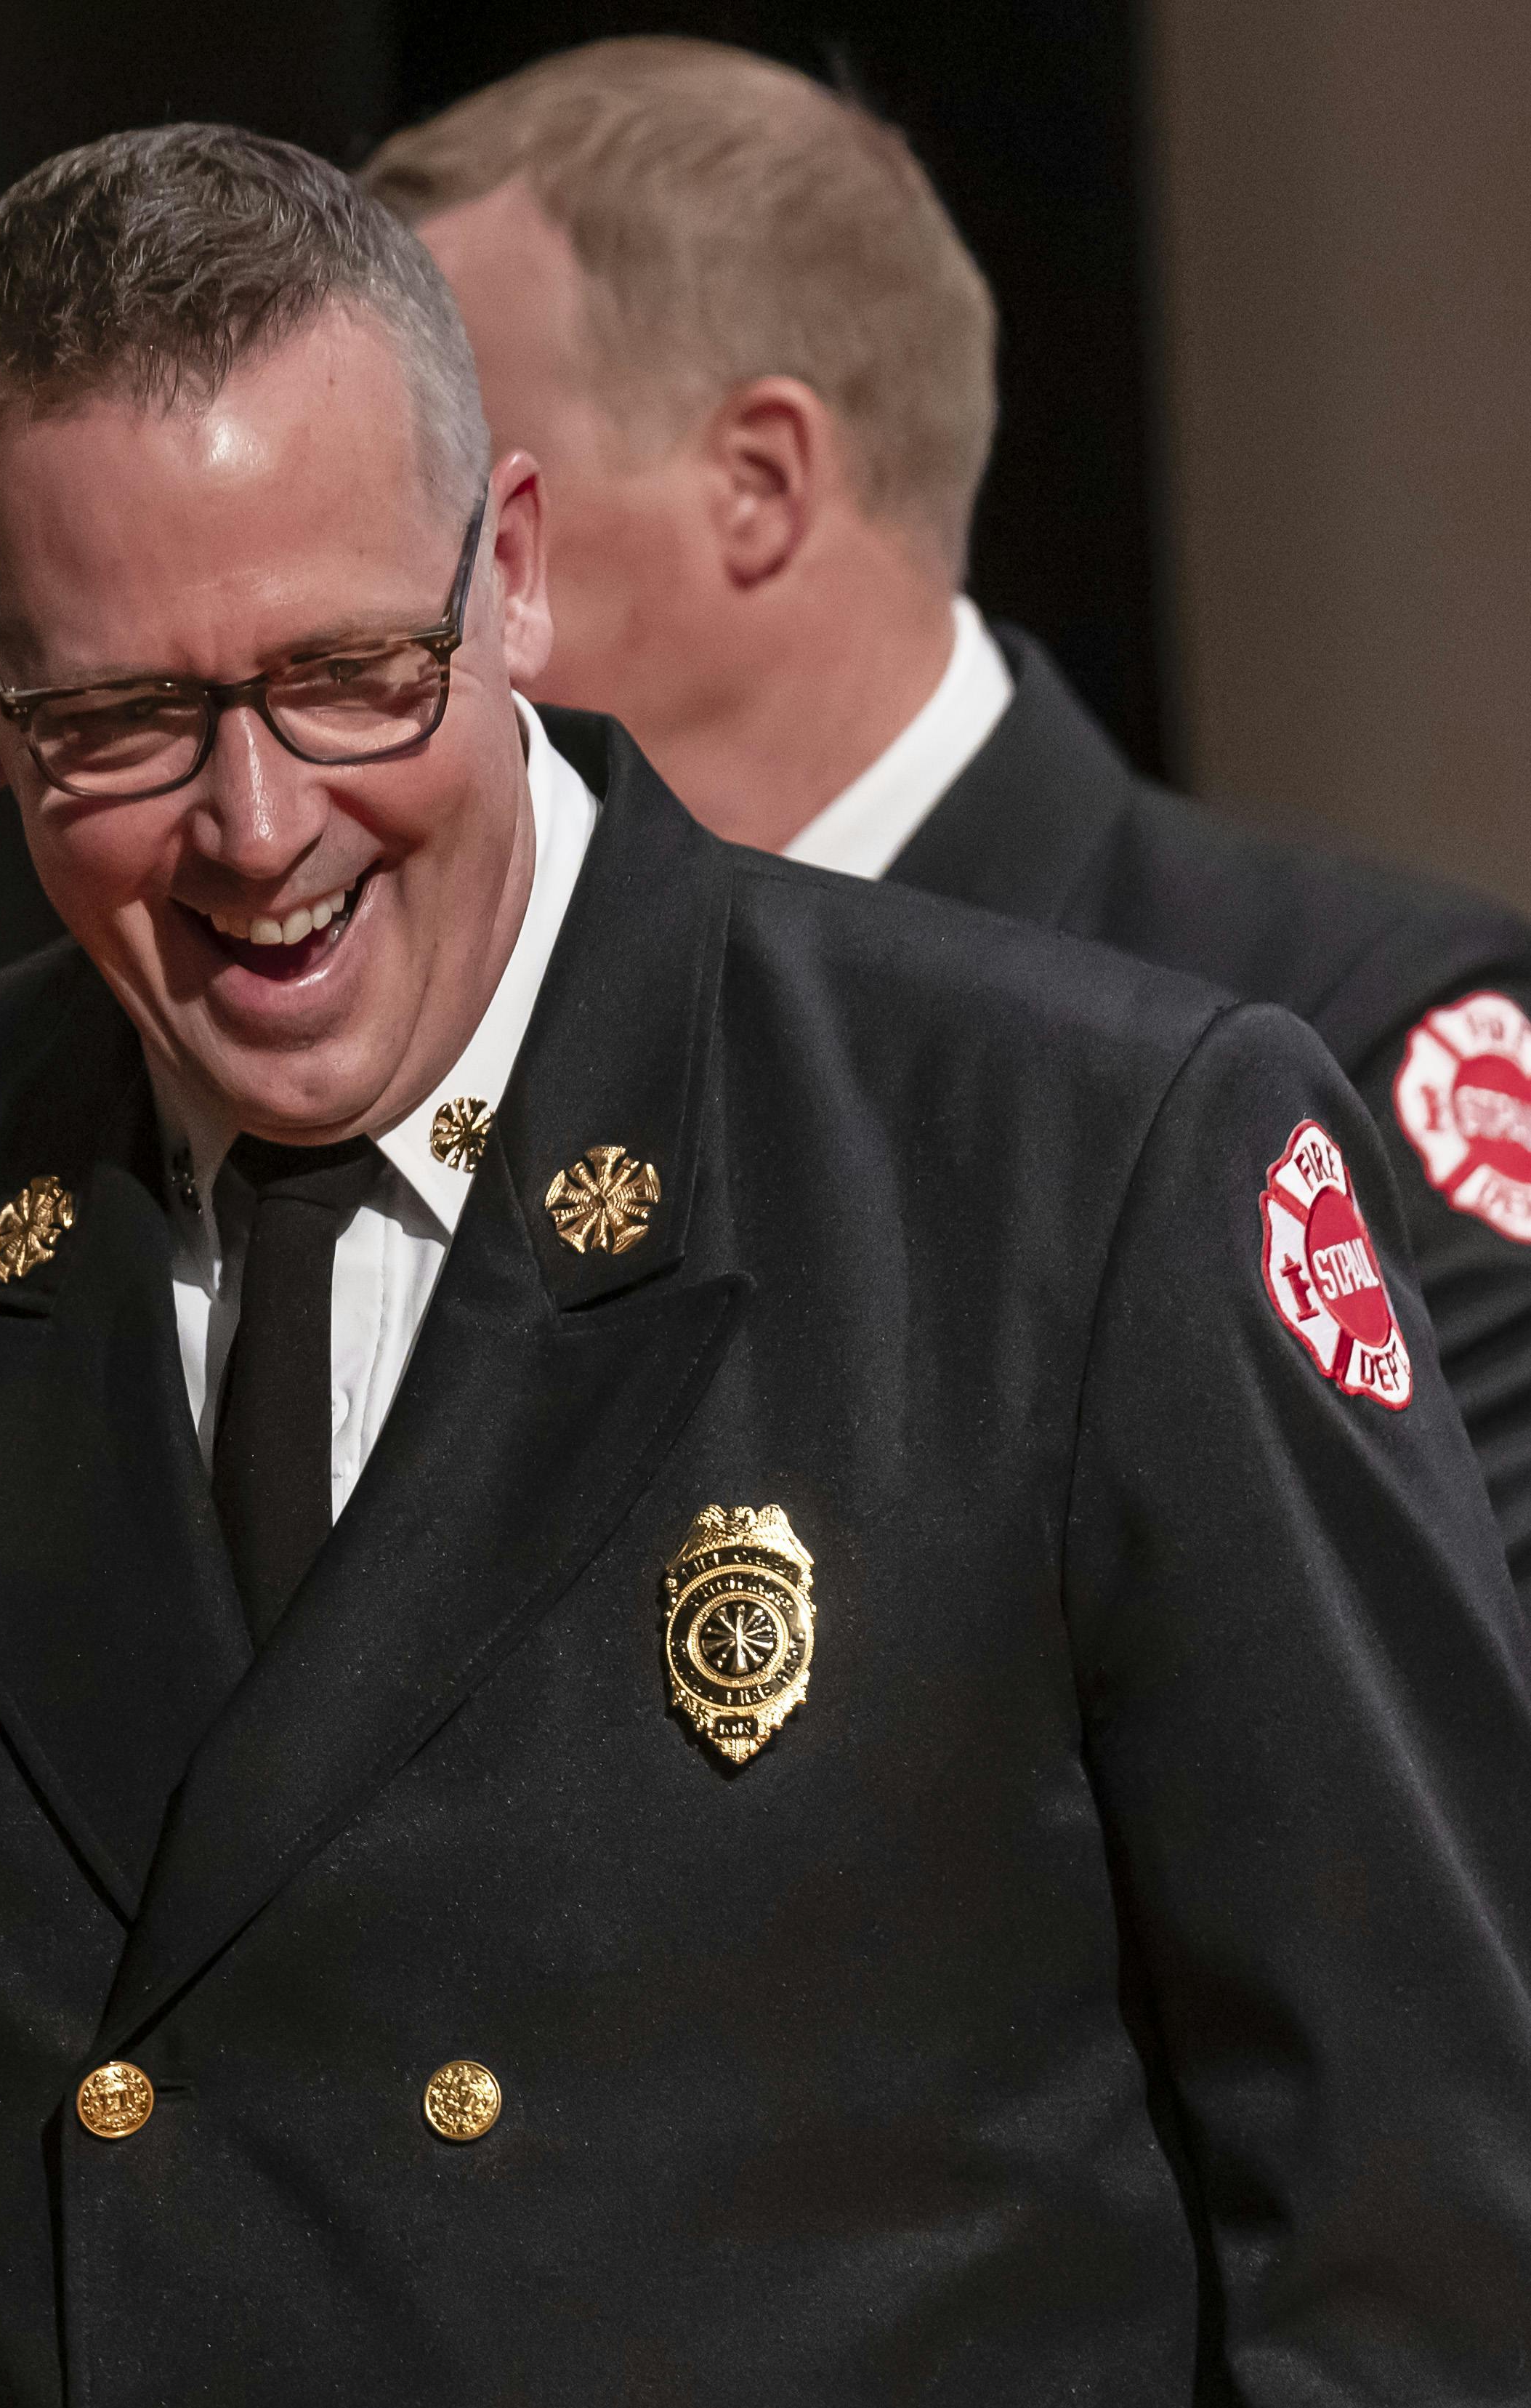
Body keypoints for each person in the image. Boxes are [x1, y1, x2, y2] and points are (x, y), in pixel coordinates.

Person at [0, 126, 1531, 2408]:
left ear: (520, 576)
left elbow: (1428, 2223)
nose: (259, 831)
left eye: (352, 673)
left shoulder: (1069, 1162)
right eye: (120, 726)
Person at [363, 37, 1531, 1592]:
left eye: (454, 506)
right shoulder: (424, 1038)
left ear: (760, 486)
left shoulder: (1357, 1038)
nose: (377, 600)